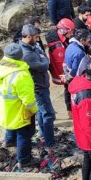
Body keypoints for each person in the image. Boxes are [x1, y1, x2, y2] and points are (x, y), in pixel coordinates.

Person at [0, 43, 39, 168]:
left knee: (10, 124)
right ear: (21, 57)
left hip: (0, 107)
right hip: (18, 109)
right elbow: (28, 99)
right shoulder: (21, 74)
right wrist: (33, 110)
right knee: (24, 134)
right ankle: (25, 160)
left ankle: (9, 142)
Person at [20, 24, 55, 152]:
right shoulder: (26, 54)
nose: (38, 39)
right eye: (35, 37)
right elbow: (44, 65)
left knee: (41, 112)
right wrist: (43, 60)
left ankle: (43, 135)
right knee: (49, 114)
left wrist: (43, 59)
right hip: (38, 87)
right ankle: (50, 143)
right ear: (28, 36)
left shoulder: (33, 47)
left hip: (41, 85)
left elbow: (44, 58)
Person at [45, 18, 74, 117]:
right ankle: (70, 110)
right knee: (68, 89)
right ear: (64, 31)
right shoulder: (59, 48)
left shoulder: (59, 38)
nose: (72, 34)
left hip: (64, 71)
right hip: (65, 73)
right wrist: (66, 76)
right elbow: (60, 63)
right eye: (71, 32)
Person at [64, 29, 90, 115]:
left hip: (68, 74)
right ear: (82, 40)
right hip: (75, 80)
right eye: (88, 38)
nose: (89, 40)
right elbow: (77, 71)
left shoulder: (70, 46)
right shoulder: (79, 53)